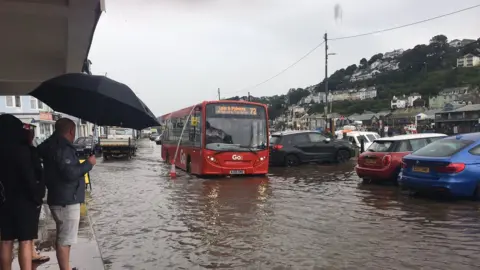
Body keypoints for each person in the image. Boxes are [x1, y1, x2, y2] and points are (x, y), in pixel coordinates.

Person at [38, 118, 96, 270]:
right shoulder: (63, 148)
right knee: (65, 239)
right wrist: (88, 164)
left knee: (63, 236)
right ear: (71, 131)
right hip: (66, 200)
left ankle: (67, 267)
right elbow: (70, 174)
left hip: (58, 197)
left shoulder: (51, 144)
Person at [0, 114, 45, 270]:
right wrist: (38, 196)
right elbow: (30, 179)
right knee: (25, 242)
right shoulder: (23, 150)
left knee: (6, 241)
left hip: (4, 202)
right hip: (24, 203)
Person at [24, 128, 50, 264]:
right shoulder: (28, 152)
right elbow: (38, 175)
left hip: (7, 200)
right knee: (26, 238)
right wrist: (39, 195)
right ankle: (32, 254)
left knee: (6, 241)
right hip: (28, 200)